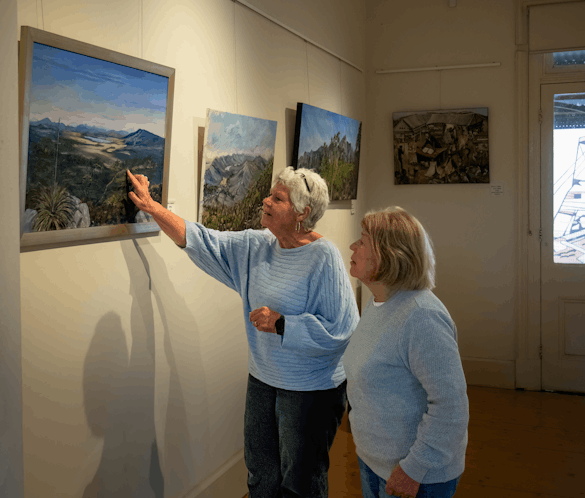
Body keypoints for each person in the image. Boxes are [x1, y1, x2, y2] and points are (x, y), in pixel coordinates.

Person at [127, 166, 359, 498]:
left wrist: (283, 324)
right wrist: (152, 207)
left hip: (310, 390)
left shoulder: (324, 257)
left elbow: (343, 329)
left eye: (277, 198)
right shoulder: (256, 245)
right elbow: (200, 239)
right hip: (263, 379)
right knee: (261, 474)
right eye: (270, 194)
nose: (266, 201)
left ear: (302, 213)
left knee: (301, 483)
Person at [343, 207, 468, 498]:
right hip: (374, 462)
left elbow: (451, 406)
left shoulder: (422, 316)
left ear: (389, 255)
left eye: (362, 241)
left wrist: (414, 469)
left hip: (416, 476)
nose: (352, 247)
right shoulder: (380, 301)